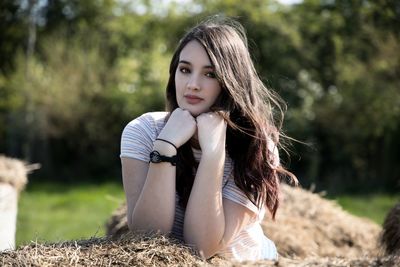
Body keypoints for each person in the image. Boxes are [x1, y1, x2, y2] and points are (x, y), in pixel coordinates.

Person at [120, 16, 297, 261]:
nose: (193, 84)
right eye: (185, 70)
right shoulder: (143, 131)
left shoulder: (256, 146)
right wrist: (165, 146)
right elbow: (147, 238)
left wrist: (213, 153)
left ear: (231, 82)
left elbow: (201, 248)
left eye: (210, 74)